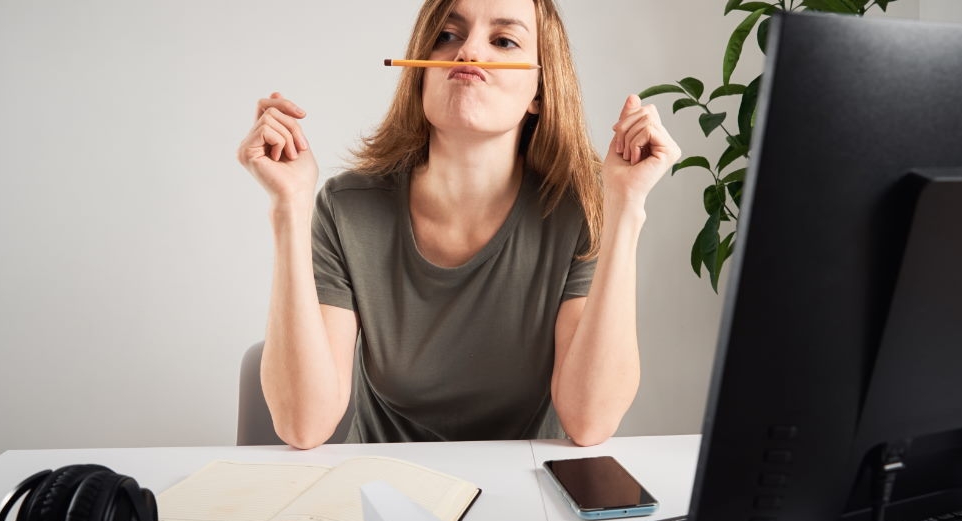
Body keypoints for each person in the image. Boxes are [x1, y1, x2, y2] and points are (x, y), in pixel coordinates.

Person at [236, 0, 680, 449]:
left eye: (503, 40)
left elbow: (590, 422)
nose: (468, 52)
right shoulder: (347, 207)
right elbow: (303, 426)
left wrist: (625, 205)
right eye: (447, 36)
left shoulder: (576, 213)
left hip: (528, 503)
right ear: (421, 72)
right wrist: (289, 205)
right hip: (377, 494)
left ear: (541, 91)